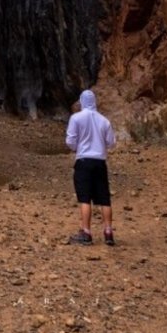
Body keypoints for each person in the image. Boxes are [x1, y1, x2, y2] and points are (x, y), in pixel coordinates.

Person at [65, 89, 116, 246]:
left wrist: (78, 147)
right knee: (104, 199)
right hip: (100, 163)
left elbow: (70, 141)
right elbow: (112, 143)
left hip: (84, 161)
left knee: (84, 197)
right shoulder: (104, 121)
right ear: (95, 102)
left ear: (81, 102)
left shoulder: (76, 118)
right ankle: (108, 232)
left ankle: (86, 232)